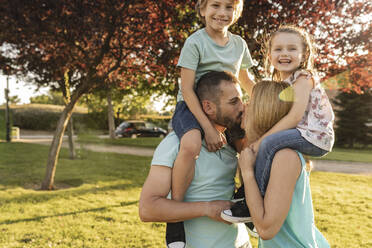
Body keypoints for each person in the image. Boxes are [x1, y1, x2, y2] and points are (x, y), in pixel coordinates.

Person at [221, 25, 335, 224]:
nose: (284, 54)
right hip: (303, 134)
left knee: (267, 145)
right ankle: (250, 199)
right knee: (266, 146)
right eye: (278, 49)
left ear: (304, 53)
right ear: (269, 54)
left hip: (315, 136)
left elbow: (293, 117)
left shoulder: (303, 78)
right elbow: (255, 90)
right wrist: (234, 60)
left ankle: (252, 201)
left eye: (292, 49)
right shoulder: (284, 81)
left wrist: (261, 142)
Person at [169, 0, 256, 246]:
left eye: (229, 7)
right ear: (203, 10)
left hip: (225, 107)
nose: (222, 12)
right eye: (215, 5)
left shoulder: (239, 44)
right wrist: (207, 128)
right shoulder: (195, 42)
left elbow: (246, 80)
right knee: (190, 143)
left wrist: (267, 98)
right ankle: (175, 217)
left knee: (252, 147)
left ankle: (245, 200)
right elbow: (186, 89)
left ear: (236, 12)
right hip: (192, 105)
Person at [139, 71, 252, 248]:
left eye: (241, 99)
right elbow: (147, 209)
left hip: (241, 243)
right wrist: (207, 208)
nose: (242, 107)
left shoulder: (231, 142)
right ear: (208, 107)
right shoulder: (176, 144)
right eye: (233, 102)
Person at [238, 80, 330, 247]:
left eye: (250, 102)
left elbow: (266, 230)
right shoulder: (268, 156)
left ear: (264, 111)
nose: (244, 106)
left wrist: (247, 173)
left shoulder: (284, 157)